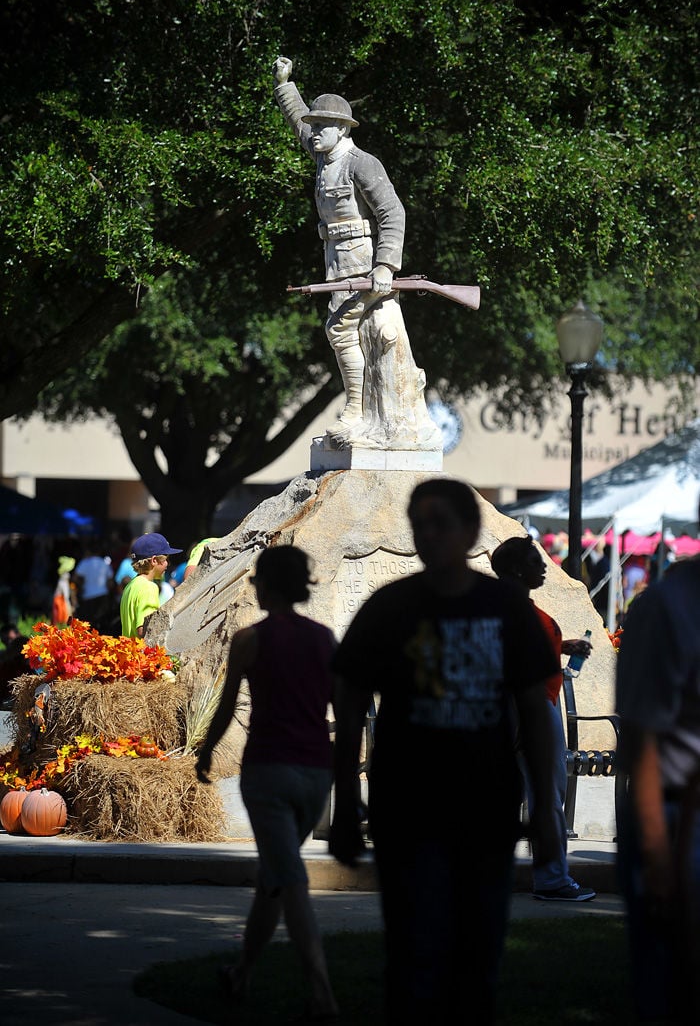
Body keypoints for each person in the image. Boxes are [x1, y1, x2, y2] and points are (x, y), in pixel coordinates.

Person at [329, 478, 560, 1025]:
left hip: (486, 807)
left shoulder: (505, 610)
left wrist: (547, 813)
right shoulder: (390, 608)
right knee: (413, 957)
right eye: (421, 526)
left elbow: (535, 708)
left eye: (442, 524)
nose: (429, 536)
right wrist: (343, 804)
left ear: (472, 530)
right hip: (407, 810)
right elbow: (351, 707)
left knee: (478, 959)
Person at [196, 545, 339, 1021]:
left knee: (290, 880)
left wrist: (206, 751)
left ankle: (321, 992)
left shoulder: (248, 640)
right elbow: (344, 704)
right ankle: (242, 973)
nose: (253, 585)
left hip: (269, 771)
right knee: (274, 879)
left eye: (257, 579)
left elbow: (225, 707)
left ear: (269, 584)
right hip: (317, 775)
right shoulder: (325, 640)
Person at [272, 56, 441, 453]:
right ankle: (361, 412)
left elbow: (392, 211)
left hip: (362, 261)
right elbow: (298, 118)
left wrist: (385, 264)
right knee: (350, 335)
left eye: (322, 127)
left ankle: (355, 411)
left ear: (342, 130)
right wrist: (284, 83)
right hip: (336, 259)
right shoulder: (322, 154)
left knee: (339, 330)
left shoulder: (361, 163)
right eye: (314, 127)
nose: (313, 133)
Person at [616, 499, 700, 1023]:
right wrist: (658, 860)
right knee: (670, 983)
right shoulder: (668, 608)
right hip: (671, 819)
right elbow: (642, 745)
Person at [490, 534, 596, 901]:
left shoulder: (509, 608)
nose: (545, 567)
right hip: (530, 712)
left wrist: (563, 646)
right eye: (537, 561)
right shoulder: (511, 611)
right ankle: (552, 879)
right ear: (518, 570)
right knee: (547, 797)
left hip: (533, 707)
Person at [119, 533, 182, 639]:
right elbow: (145, 629)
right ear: (154, 560)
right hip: (143, 654)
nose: (168, 564)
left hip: (131, 653)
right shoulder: (149, 587)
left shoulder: (131, 585)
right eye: (165, 559)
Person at [73, 539, 114, 632]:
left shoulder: (84, 563)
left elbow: (75, 578)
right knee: (101, 626)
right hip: (103, 596)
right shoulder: (105, 563)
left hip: (87, 597)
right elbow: (111, 582)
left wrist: (81, 586)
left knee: (88, 626)